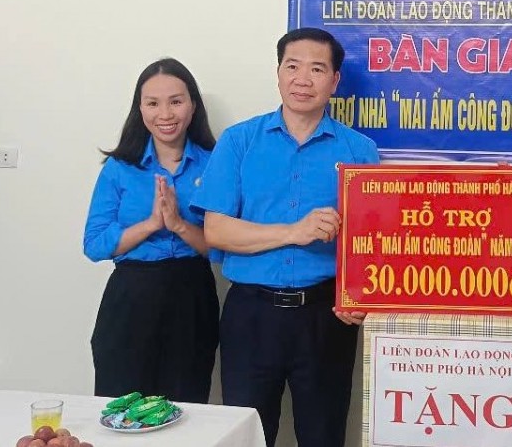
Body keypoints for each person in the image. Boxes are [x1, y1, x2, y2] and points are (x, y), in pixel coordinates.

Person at [192, 27, 378, 447]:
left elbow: (372, 244)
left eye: (317, 69)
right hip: (250, 315)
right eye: (292, 66)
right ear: (278, 73)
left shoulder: (360, 151)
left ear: (334, 81)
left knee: (324, 433)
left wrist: (361, 295)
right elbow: (216, 230)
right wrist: (295, 231)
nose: (302, 79)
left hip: (326, 316)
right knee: (247, 436)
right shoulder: (239, 141)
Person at [83, 58, 220, 403]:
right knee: (121, 410)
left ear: (192, 107)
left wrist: (178, 225)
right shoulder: (119, 167)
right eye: (153, 103)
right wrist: (151, 225)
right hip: (131, 296)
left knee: (185, 410)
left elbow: (223, 248)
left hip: (192, 296)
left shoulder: (216, 163)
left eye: (176, 101)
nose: (165, 114)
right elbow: (95, 244)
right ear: (139, 108)